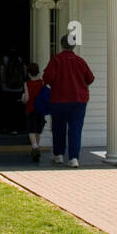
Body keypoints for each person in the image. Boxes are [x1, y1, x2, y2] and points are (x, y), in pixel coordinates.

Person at [42, 36, 94, 167]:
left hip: (59, 99)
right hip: (78, 100)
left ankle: (58, 155)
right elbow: (90, 78)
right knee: (75, 129)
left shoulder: (56, 60)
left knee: (58, 127)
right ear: (74, 46)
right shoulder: (80, 61)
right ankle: (73, 158)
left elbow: (47, 78)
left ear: (61, 45)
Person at [0, 48, 27, 134]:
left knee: (7, 108)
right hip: (18, 88)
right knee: (17, 109)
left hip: (7, 87)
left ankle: (6, 127)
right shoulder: (20, 59)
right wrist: (23, 81)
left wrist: (2, 81)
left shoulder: (5, 58)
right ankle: (16, 128)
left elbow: (2, 70)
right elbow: (25, 69)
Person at [23, 62, 46, 163]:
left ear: (28, 73)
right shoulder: (42, 83)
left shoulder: (27, 83)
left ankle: (35, 148)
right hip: (40, 110)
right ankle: (36, 148)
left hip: (30, 109)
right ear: (38, 72)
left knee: (31, 130)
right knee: (38, 130)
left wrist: (23, 99)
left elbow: (27, 98)